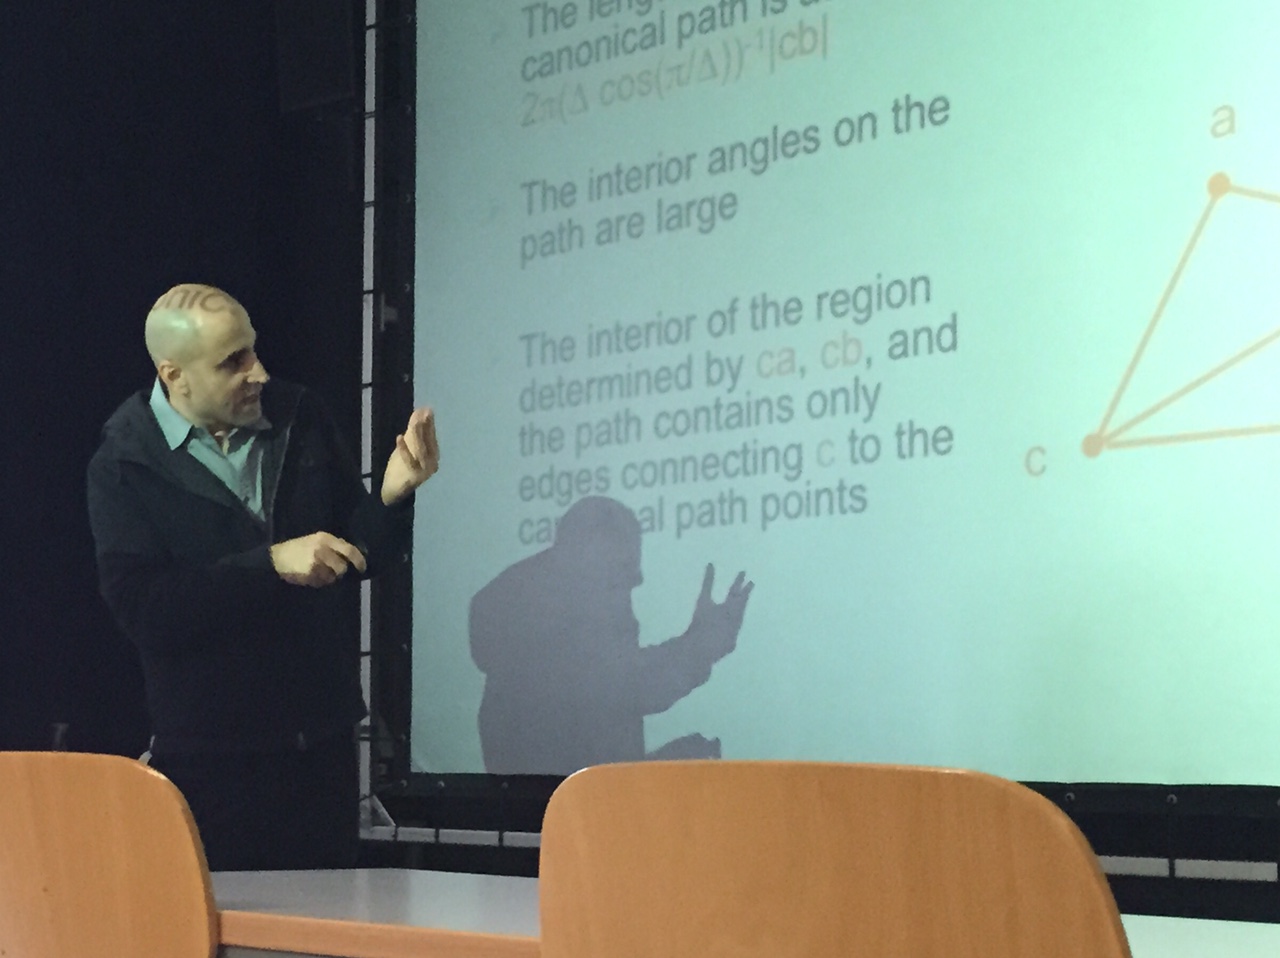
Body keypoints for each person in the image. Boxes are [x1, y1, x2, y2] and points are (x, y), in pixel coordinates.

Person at [87, 283, 439, 870]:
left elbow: (353, 554)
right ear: (175, 376)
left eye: (253, 349)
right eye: (233, 362)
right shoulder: (125, 463)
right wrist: (269, 564)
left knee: (329, 918)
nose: (259, 373)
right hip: (212, 764)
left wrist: (391, 498)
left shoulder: (299, 414)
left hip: (321, 755)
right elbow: (147, 610)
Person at [469, 496, 752, 775]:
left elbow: (588, 768)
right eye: (619, 582)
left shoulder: (525, 643)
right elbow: (627, 684)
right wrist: (701, 645)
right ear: (583, 575)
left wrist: (669, 762)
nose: (627, 601)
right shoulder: (546, 659)